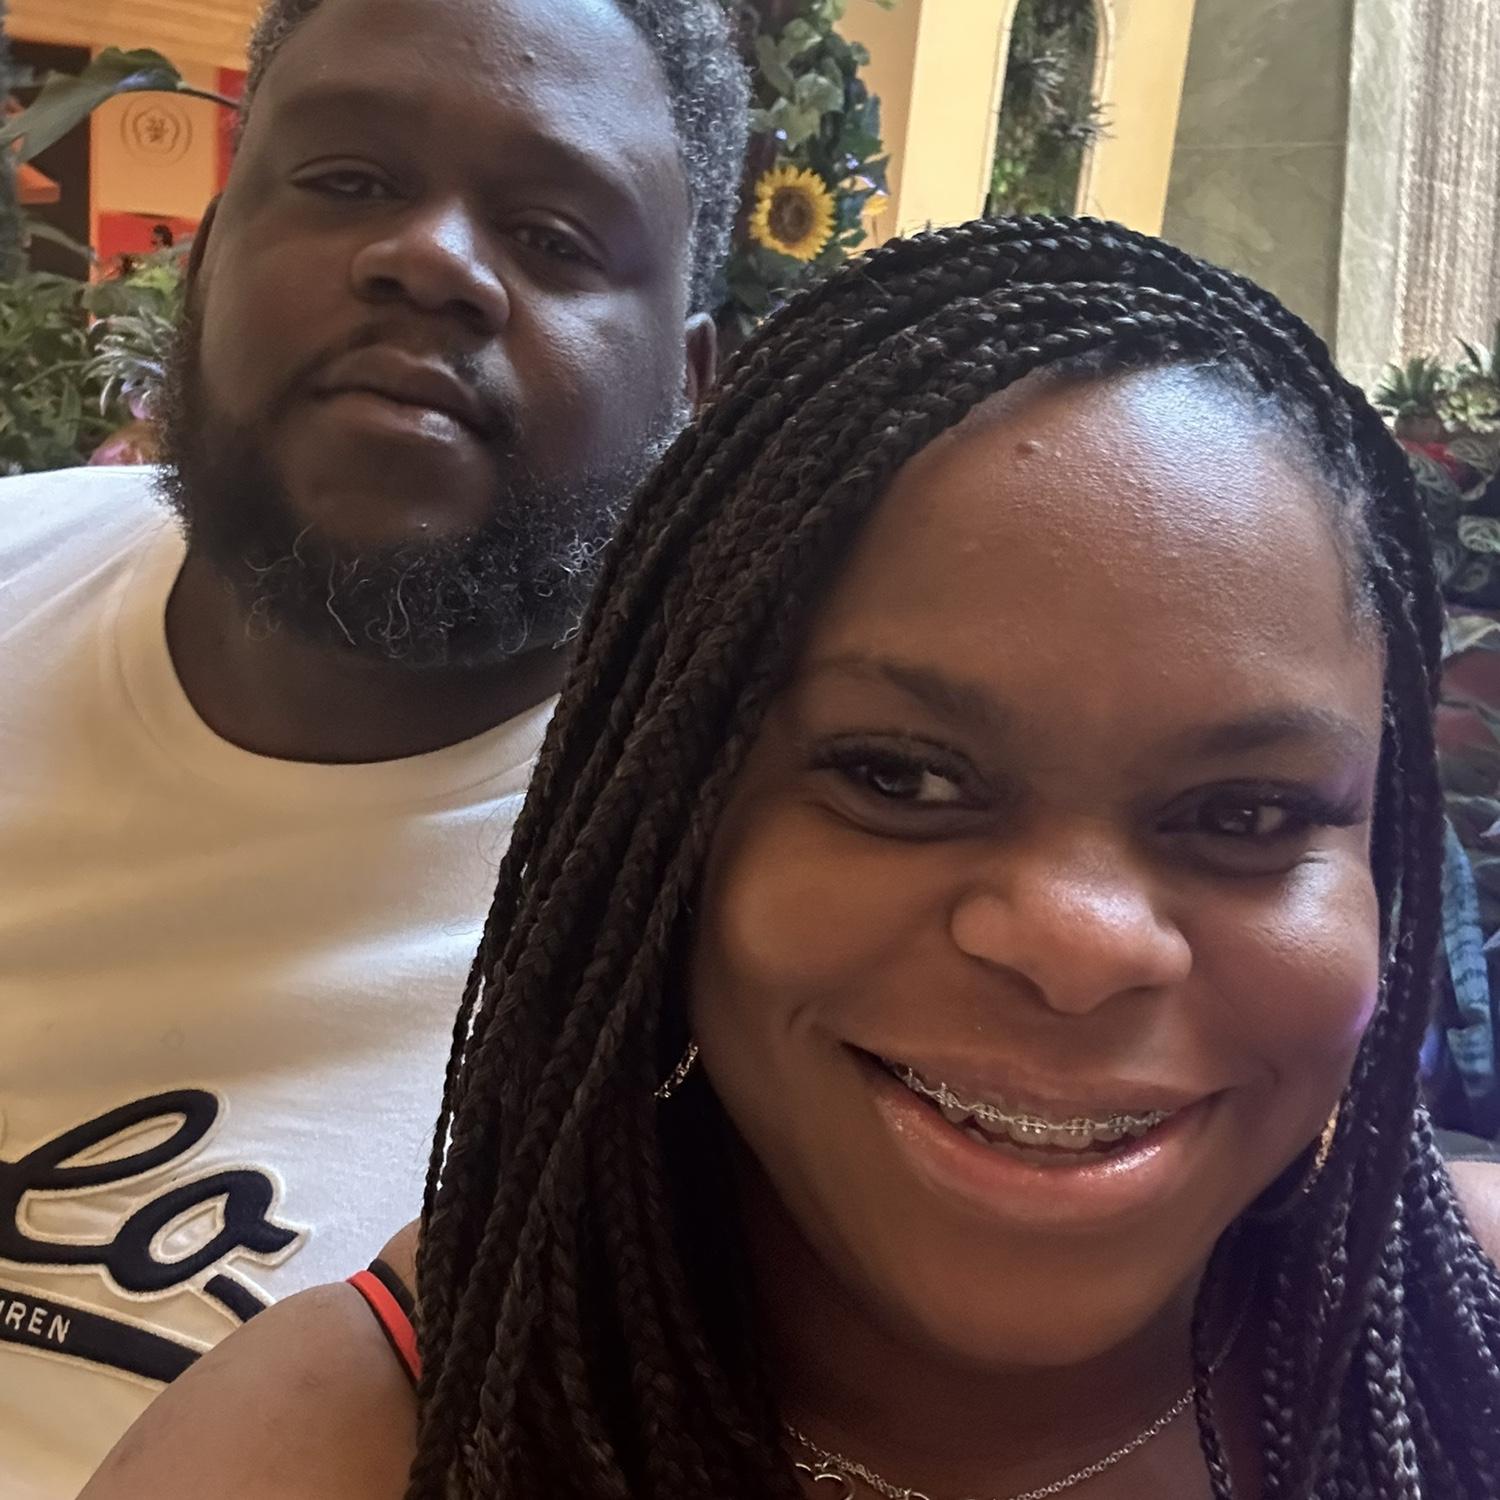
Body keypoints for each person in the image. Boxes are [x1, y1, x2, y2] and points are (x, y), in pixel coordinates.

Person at [80, 215, 1500, 1500]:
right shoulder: (328, 1449)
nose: (1080, 944)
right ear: (673, 823)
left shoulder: (1467, 1344)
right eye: (900, 777)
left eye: (1247, 815)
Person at [0, 0, 746, 1491]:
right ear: (209, 254)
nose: (432, 259)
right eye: (346, 179)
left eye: (553, 235)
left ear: (690, 390)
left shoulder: (723, 940)